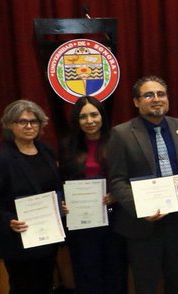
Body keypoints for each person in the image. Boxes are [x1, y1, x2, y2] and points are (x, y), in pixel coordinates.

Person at [106, 76, 178, 294]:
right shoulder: (121, 133)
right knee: (145, 286)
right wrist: (140, 208)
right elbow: (117, 180)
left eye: (161, 94)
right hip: (143, 227)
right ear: (136, 102)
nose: (156, 99)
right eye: (148, 95)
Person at [0, 100, 62, 293]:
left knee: (45, 285)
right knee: (23, 288)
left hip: (47, 236)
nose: (29, 126)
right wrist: (9, 221)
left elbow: (52, 187)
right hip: (18, 240)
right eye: (22, 121)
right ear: (9, 125)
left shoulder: (46, 151)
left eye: (34, 121)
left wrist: (60, 204)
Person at [59, 96, 127, 294]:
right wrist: (62, 200)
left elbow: (129, 174)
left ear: (102, 116)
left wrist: (116, 195)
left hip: (114, 217)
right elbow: (62, 178)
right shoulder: (67, 145)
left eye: (94, 115)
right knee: (86, 271)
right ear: (77, 121)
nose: (89, 121)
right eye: (83, 117)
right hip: (82, 221)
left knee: (115, 272)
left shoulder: (118, 140)